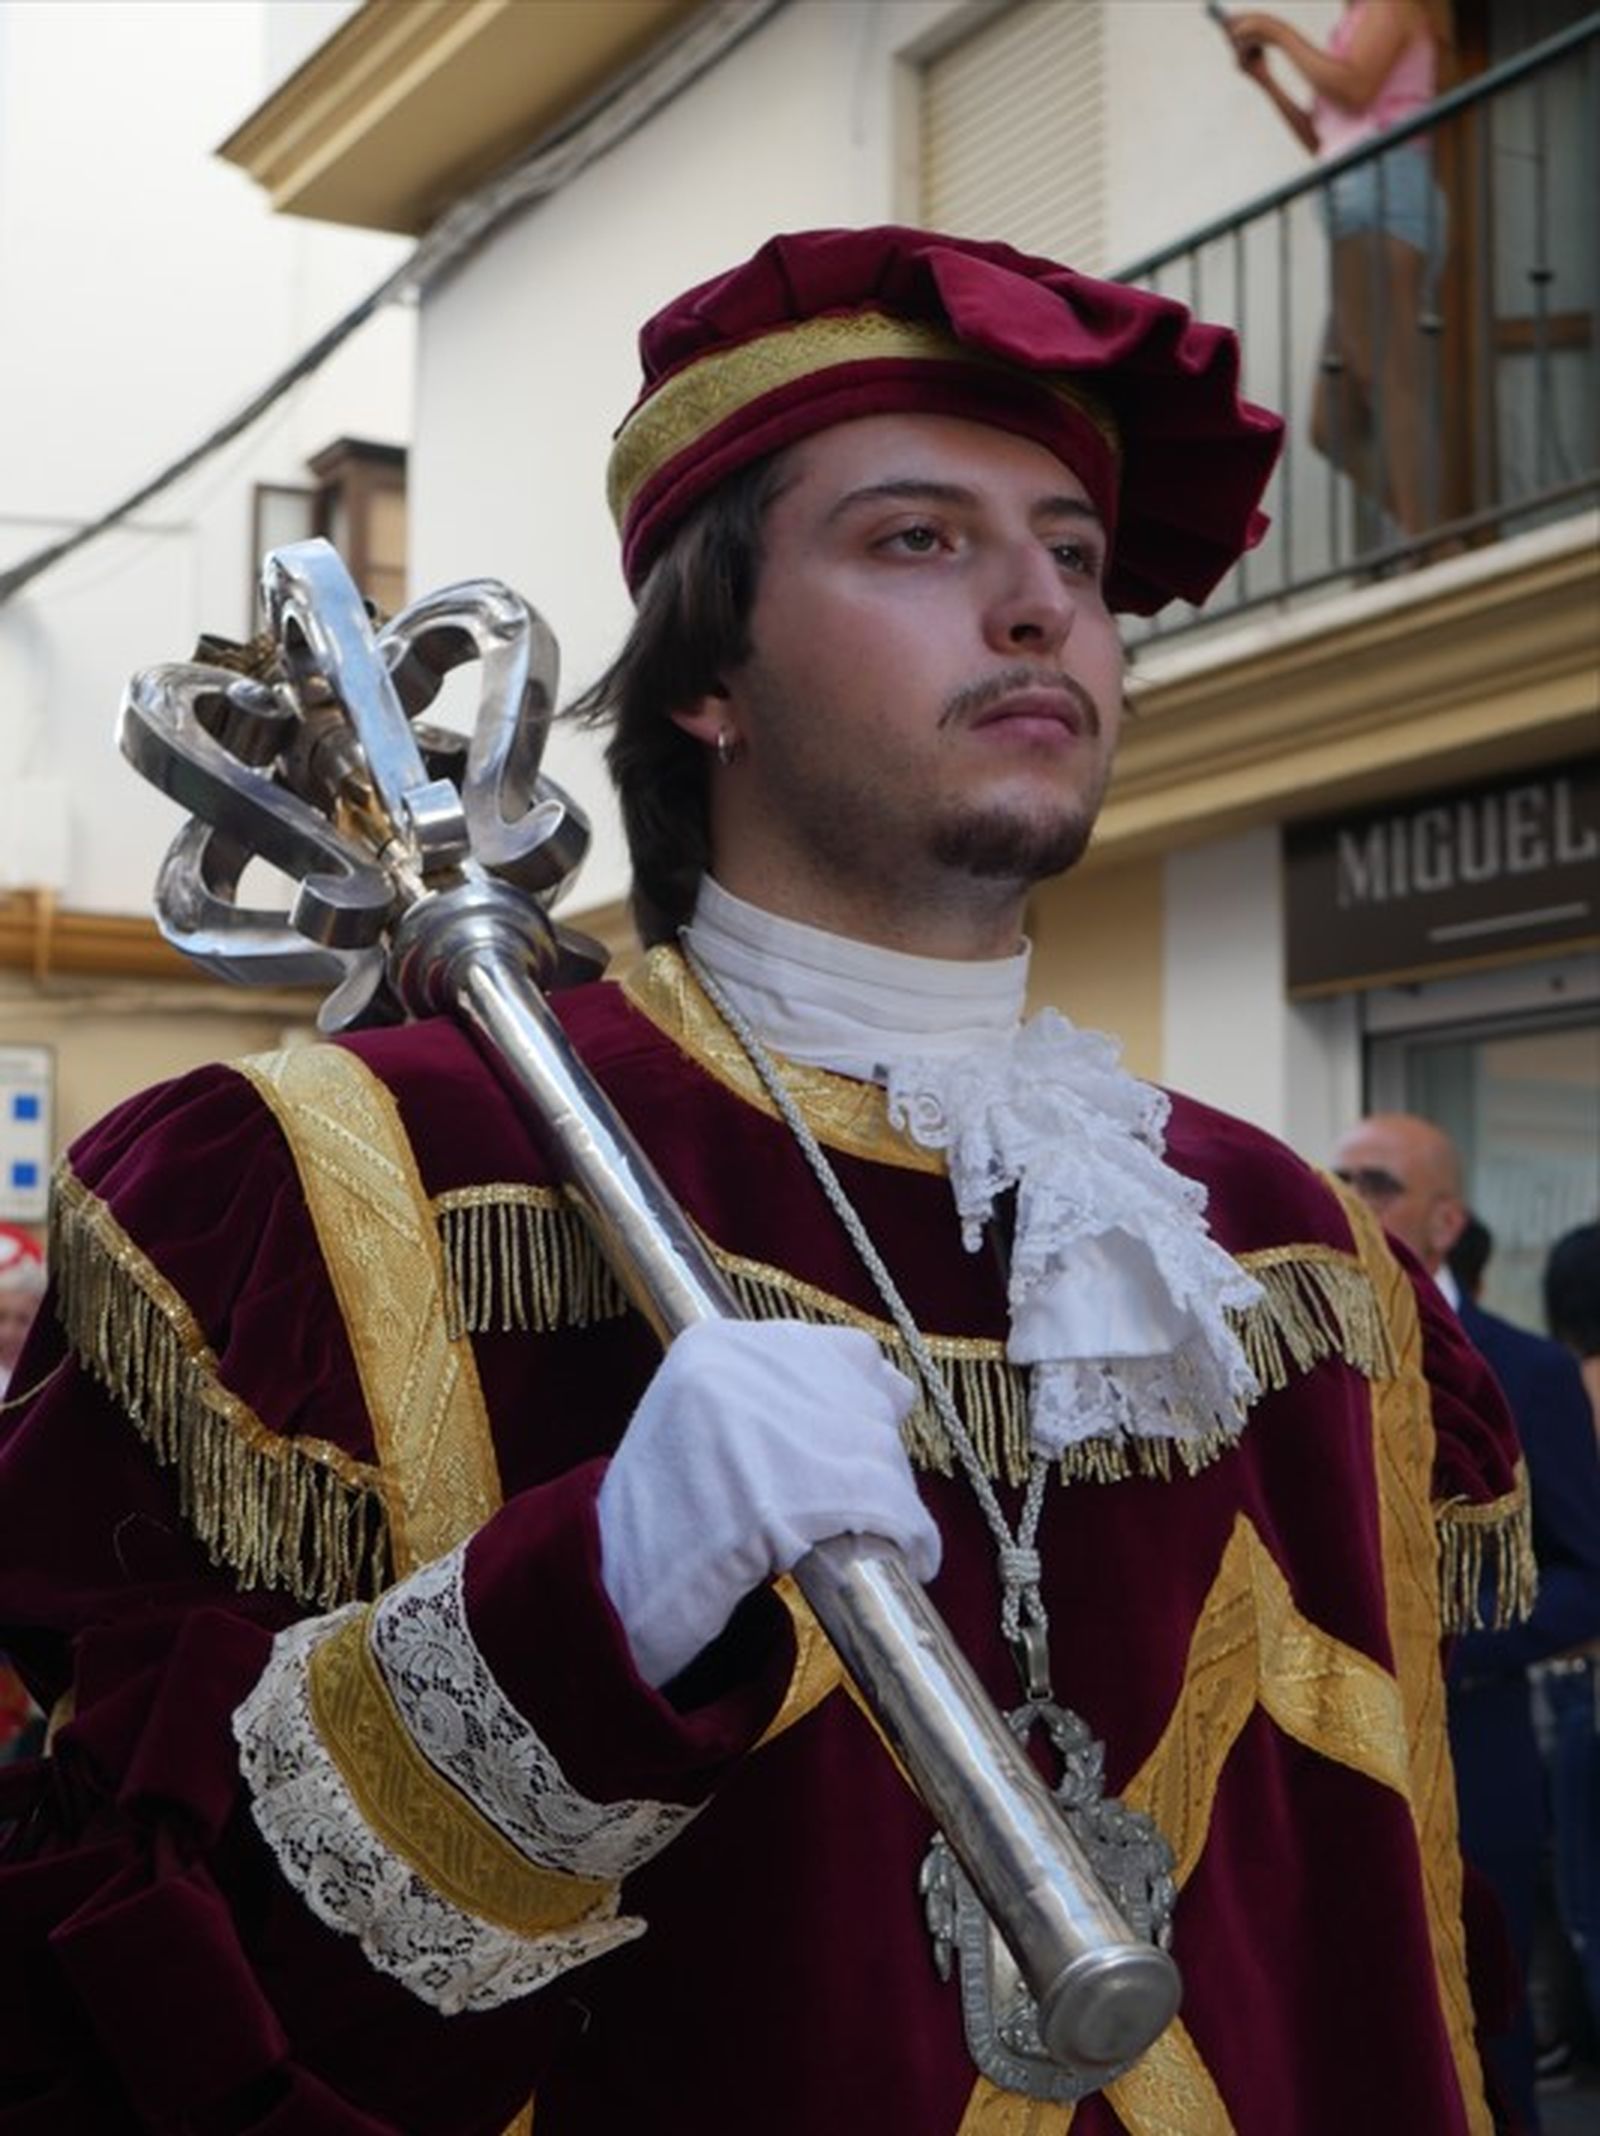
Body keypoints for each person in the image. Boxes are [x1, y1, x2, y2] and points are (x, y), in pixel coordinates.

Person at [0, 227, 1529, 2136]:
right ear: (708, 677)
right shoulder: (338, 1187)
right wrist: (579, 1620)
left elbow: (1404, 1958)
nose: (1040, 608)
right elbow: (105, 2008)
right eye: (918, 540)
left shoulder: (1290, 1249)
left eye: (1072, 554)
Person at [1332, 1113, 1600, 2132]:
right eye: (1336, 1175)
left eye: (1374, 1181)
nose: (1347, 1195)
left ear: (1444, 1220)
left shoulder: (1523, 1370)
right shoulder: (1293, 1337)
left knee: (1481, 2037)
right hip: (1329, 1747)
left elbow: (1584, 1572)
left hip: (1471, 1744)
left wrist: (1449, 1643)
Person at [1219, 0, 1452, 544]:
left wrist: (1277, 31)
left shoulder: (1392, 7)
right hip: (1356, 194)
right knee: (1335, 422)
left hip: (1382, 191)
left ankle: (1436, 544)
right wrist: (1266, 80)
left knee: (1390, 374)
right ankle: (1438, 533)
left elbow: (1355, 88)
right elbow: (1326, 140)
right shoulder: (1352, 24)